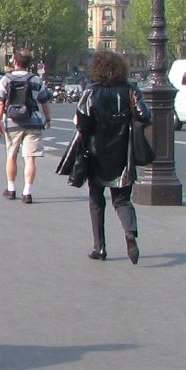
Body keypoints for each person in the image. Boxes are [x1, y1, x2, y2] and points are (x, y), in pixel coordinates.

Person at [75, 49, 151, 263]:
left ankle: (99, 247)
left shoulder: (91, 92)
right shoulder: (130, 90)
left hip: (97, 151)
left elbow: (82, 121)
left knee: (96, 200)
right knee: (122, 200)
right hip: (122, 152)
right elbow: (145, 115)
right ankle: (129, 234)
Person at [0, 49, 53, 203]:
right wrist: (48, 119)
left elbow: (0, 102)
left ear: (15, 62)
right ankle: (27, 192)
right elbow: (44, 102)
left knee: (11, 156)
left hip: (12, 121)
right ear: (29, 64)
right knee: (30, 159)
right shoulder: (36, 80)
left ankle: (11, 189)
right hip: (33, 121)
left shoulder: (5, 80)